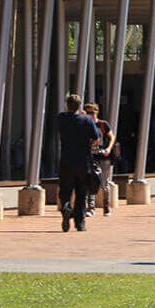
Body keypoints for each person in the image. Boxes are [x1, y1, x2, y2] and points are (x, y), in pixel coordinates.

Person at [55, 94, 101, 232]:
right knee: (81, 192)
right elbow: (96, 138)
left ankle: (66, 208)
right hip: (83, 162)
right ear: (80, 105)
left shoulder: (61, 118)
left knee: (65, 190)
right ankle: (80, 223)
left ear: (67, 105)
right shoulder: (86, 119)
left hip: (66, 160)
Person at [86, 102, 116, 216]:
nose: (90, 115)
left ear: (97, 112)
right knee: (90, 181)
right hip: (91, 156)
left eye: (92, 112)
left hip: (103, 156)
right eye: (87, 112)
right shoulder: (85, 124)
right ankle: (91, 207)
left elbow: (111, 137)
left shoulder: (103, 124)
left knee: (104, 183)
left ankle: (106, 206)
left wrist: (108, 148)